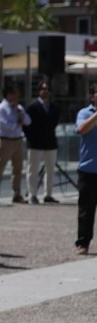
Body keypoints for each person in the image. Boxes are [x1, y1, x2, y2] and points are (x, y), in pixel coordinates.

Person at [0, 84, 30, 204]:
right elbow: (3, 125)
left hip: (18, 140)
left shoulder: (19, 108)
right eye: (14, 94)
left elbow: (28, 121)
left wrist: (21, 115)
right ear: (8, 95)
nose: (16, 97)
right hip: (5, 141)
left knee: (18, 169)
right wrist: (17, 124)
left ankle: (17, 194)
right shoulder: (0, 108)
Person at [24, 79, 60, 204]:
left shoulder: (54, 107)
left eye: (48, 89)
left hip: (50, 142)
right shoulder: (32, 107)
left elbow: (54, 123)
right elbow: (26, 125)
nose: (46, 92)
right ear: (39, 91)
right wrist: (31, 138)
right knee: (33, 169)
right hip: (35, 143)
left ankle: (48, 194)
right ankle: (32, 194)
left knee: (50, 170)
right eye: (43, 89)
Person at [74, 81, 97, 255]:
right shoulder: (84, 113)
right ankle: (83, 242)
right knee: (86, 211)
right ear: (92, 96)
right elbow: (82, 129)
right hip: (88, 169)